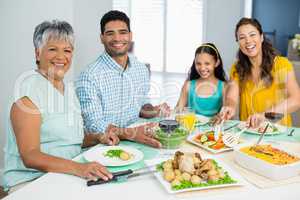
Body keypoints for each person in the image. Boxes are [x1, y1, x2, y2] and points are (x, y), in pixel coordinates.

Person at [3, 20, 114, 193]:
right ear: (38, 53)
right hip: (32, 182)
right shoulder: (28, 91)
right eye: (53, 49)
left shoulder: (67, 89)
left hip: (65, 175)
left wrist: (98, 137)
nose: (61, 57)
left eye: (67, 50)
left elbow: (67, 139)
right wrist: (80, 168)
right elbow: (30, 155)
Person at [76, 10, 170, 148]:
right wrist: (131, 133)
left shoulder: (140, 69)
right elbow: (94, 125)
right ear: (101, 38)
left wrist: (153, 110)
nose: (117, 38)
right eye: (110, 33)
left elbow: (142, 104)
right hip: (104, 148)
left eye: (122, 32)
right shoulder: (89, 76)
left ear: (130, 35)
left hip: (136, 141)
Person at [220, 18, 300, 127]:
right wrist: (229, 106)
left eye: (252, 35)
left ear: (261, 37)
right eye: (242, 38)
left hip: (278, 131)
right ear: (238, 42)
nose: (248, 41)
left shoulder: (282, 64)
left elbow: (296, 99)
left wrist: (266, 116)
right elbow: (231, 97)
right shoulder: (237, 68)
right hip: (249, 131)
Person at [176, 43, 227, 117]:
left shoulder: (223, 87)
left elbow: (226, 115)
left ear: (216, 63)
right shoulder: (188, 85)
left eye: (207, 63)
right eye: (198, 64)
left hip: (214, 128)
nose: (202, 68)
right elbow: (178, 111)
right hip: (190, 127)